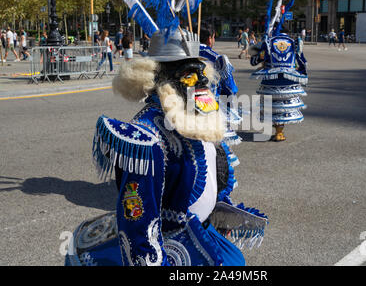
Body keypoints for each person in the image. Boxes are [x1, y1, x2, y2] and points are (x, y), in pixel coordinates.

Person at [65, 27, 268, 266]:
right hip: (171, 244)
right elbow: (138, 224)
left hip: (203, 234)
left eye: (202, 72)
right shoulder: (145, 137)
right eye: (190, 74)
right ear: (160, 79)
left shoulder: (196, 120)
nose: (202, 81)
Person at [200, 25, 242, 146]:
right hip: (209, 108)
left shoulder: (182, 53)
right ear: (209, 38)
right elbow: (229, 88)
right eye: (213, 37)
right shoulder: (217, 58)